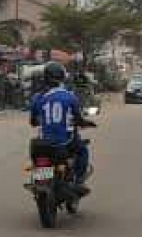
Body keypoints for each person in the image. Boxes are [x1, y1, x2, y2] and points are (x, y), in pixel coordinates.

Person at [30, 62, 96, 194]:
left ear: (45, 77)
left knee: (38, 155)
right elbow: (78, 119)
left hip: (43, 143)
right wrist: (86, 123)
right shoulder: (70, 96)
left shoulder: (38, 97)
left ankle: (41, 180)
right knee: (83, 151)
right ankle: (78, 181)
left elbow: (33, 121)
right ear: (62, 78)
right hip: (64, 143)